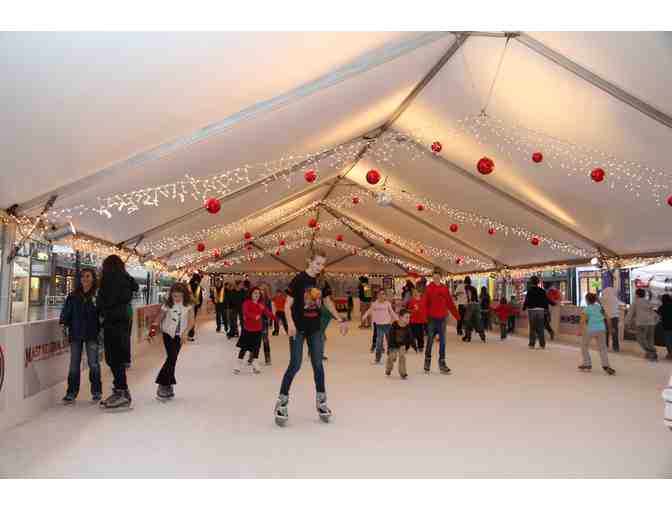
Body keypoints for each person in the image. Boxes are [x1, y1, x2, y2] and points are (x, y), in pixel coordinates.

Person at [274, 249, 348, 426]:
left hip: (315, 329)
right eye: (317, 263)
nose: (320, 267)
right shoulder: (299, 279)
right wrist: (290, 324)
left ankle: (321, 402)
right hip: (298, 329)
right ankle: (282, 402)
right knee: (295, 365)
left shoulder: (321, 281)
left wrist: (340, 319)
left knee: (318, 365)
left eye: (322, 264)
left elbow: (328, 302)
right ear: (309, 261)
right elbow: (287, 305)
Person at [97, 255, 139, 410]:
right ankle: (120, 390)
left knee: (114, 359)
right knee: (117, 359)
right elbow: (134, 287)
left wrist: (101, 308)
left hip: (112, 322)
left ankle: (122, 392)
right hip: (122, 321)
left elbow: (106, 301)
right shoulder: (126, 278)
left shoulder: (110, 280)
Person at [59, 268, 102, 404]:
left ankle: (96, 392)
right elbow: (66, 312)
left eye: (88, 276)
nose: (85, 279)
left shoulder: (97, 296)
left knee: (93, 364)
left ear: (93, 278)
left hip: (92, 333)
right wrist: (63, 323)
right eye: (83, 276)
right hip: (76, 333)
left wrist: (101, 326)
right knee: (74, 365)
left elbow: (102, 314)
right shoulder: (73, 296)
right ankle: (71, 393)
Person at [149, 283, 195, 400]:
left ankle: (166, 385)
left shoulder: (189, 305)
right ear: (171, 295)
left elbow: (191, 320)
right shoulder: (167, 304)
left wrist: (186, 332)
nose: (177, 298)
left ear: (184, 295)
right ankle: (164, 384)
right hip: (168, 335)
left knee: (172, 359)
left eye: (179, 296)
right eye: (174, 296)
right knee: (172, 358)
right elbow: (160, 317)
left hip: (180, 336)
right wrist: (153, 330)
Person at [423, 269, 460, 374]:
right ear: (432, 278)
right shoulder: (429, 288)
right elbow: (425, 303)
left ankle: (442, 363)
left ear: (441, 277)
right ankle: (427, 361)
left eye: (438, 277)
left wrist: (457, 316)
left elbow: (449, 302)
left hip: (442, 319)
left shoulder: (444, 288)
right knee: (430, 341)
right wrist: (425, 318)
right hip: (431, 319)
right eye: (434, 278)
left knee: (442, 342)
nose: (436, 279)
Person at [234, 287, 276, 375]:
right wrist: (254, 317)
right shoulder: (247, 303)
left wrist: (275, 319)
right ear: (251, 294)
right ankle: (238, 364)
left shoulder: (261, 304)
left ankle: (255, 363)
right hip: (247, 330)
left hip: (258, 330)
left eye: (258, 293)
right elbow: (245, 312)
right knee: (244, 348)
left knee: (256, 348)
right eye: (255, 293)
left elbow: (267, 312)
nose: (257, 295)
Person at [578, 293, 616, 375]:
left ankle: (587, 363)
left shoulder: (586, 309)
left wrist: (580, 330)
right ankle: (606, 365)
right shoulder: (599, 307)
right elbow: (608, 319)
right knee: (603, 348)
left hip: (591, 330)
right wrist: (610, 329)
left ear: (587, 300)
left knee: (584, 346)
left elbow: (582, 321)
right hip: (601, 329)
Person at [362, 289, 400, 364]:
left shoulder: (387, 304)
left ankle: (391, 355)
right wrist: (364, 316)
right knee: (379, 342)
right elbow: (369, 310)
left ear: (385, 296)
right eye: (380, 294)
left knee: (390, 341)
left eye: (383, 294)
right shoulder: (374, 304)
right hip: (379, 326)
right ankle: (377, 358)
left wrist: (398, 319)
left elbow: (392, 312)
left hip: (388, 325)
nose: (382, 296)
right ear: (377, 295)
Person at [626, 288, 659, 361]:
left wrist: (627, 323)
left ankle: (651, 352)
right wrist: (656, 321)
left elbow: (630, 313)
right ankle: (650, 353)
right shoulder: (648, 302)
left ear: (637, 295)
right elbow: (653, 313)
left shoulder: (635, 302)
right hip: (651, 323)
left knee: (640, 339)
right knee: (650, 339)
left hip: (641, 323)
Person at [523, 276, 554, 350]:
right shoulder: (542, 290)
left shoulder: (530, 291)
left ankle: (532, 344)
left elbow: (527, 300)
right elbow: (546, 299)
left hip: (532, 310)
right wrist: (553, 303)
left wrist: (524, 307)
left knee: (532, 328)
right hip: (540, 310)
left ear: (531, 282)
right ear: (538, 282)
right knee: (540, 328)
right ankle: (542, 344)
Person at [318, 281, 342, 362]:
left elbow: (335, 314)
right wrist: (340, 320)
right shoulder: (326, 307)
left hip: (320, 328)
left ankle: (313, 352)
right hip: (319, 329)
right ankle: (319, 354)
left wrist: (340, 319)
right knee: (321, 338)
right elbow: (334, 313)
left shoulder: (325, 306)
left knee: (321, 338)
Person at [386, 309, 413, 379]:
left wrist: (412, 345)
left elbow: (410, 337)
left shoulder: (407, 327)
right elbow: (390, 337)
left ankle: (403, 373)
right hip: (393, 345)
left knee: (402, 357)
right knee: (392, 357)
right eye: (406, 317)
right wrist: (390, 348)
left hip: (402, 345)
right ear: (400, 317)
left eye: (409, 317)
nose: (408, 319)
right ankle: (388, 369)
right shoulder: (394, 325)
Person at [463, 277, 486, 343]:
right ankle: (483, 336)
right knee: (478, 321)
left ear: (465, 282)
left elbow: (468, 296)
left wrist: (467, 303)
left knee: (467, 320)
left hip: (471, 305)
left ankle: (468, 336)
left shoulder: (466, 288)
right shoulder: (474, 288)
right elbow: (477, 298)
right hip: (477, 305)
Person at [601, 286, 624, 352]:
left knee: (605, 333)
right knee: (614, 333)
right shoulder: (615, 299)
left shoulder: (603, 299)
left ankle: (605, 346)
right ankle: (616, 347)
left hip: (606, 318)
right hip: (614, 318)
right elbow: (622, 305)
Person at [406, 287, 427, 352]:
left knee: (420, 334)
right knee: (412, 334)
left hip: (421, 320)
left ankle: (420, 346)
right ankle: (407, 346)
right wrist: (413, 310)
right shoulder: (411, 301)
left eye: (417, 292)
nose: (415, 293)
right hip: (413, 320)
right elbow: (408, 310)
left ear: (420, 293)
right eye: (414, 292)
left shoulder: (424, 300)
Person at [258, 283, 274, 365]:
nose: (261, 291)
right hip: (256, 322)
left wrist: (271, 322)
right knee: (255, 340)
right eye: (260, 290)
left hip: (264, 322)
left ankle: (268, 358)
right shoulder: (256, 299)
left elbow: (270, 312)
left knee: (265, 340)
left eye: (263, 290)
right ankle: (252, 356)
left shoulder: (268, 300)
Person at [187, 273, 203, 342]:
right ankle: (190, 335)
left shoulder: (188, 285)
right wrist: (199, 305)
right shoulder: (198, 286)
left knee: (188, 320)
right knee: (192, 320)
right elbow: (200, 297)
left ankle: (188, 334)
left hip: (188, 305)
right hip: (194, 305)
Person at [656, 294, 672, 360]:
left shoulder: (661, 307)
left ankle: (670, 353)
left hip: (667, 326)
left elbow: (658, 316)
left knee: (668, 340)